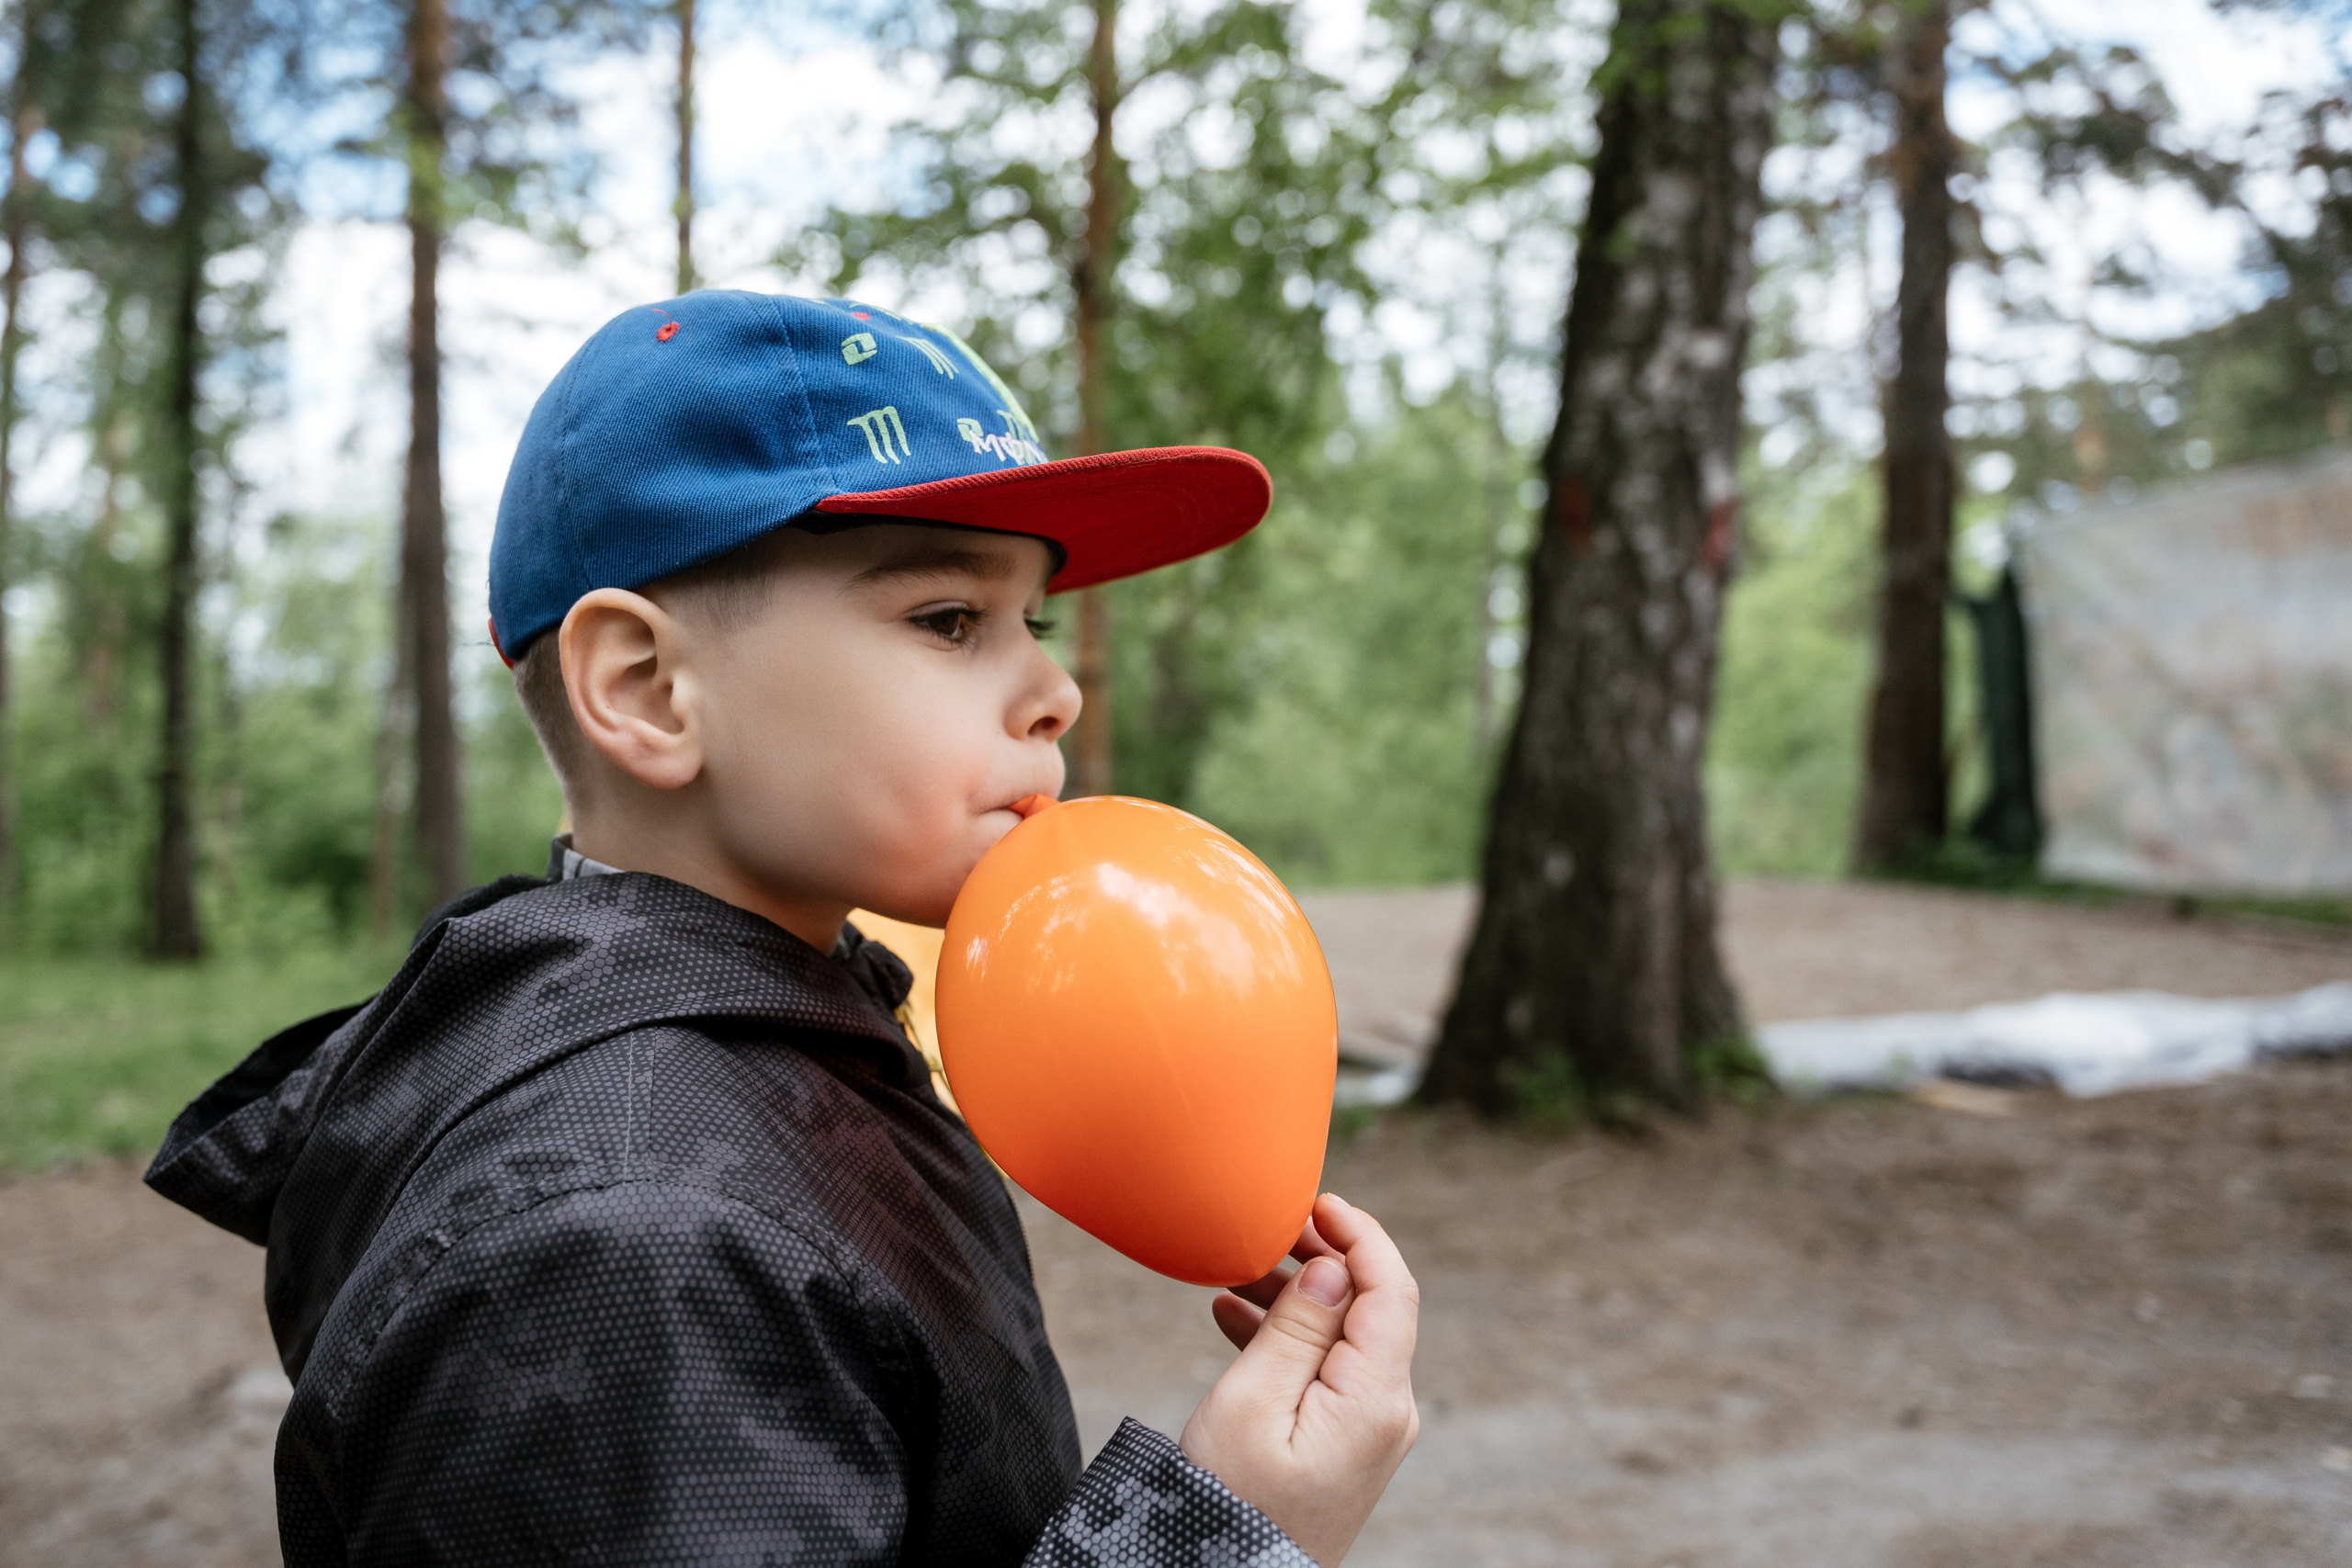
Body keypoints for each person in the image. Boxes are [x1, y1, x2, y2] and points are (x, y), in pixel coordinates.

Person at [145, 291, 1420, 1566]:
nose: (1054, 688)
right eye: (948, 618)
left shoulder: (777, 1047)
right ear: (647, 690)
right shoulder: (629, 1248)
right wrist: (1212, 1542)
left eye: (1030, 619)